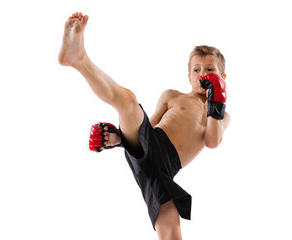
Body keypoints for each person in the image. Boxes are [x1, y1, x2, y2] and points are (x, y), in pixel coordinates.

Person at [58, 12, 230, 240]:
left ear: (222, 76)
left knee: (172, 232)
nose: (203, 75)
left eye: (210, 70)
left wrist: (215, 104)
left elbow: (212, 141)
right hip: (153, 142)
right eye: (196, 70)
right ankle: (79, 60)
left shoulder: (221, 115)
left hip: (164, 170)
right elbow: (146, 126)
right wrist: (121, 139)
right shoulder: (173, 96)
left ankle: (79, 60)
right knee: (128, 102)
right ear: (189, 77)